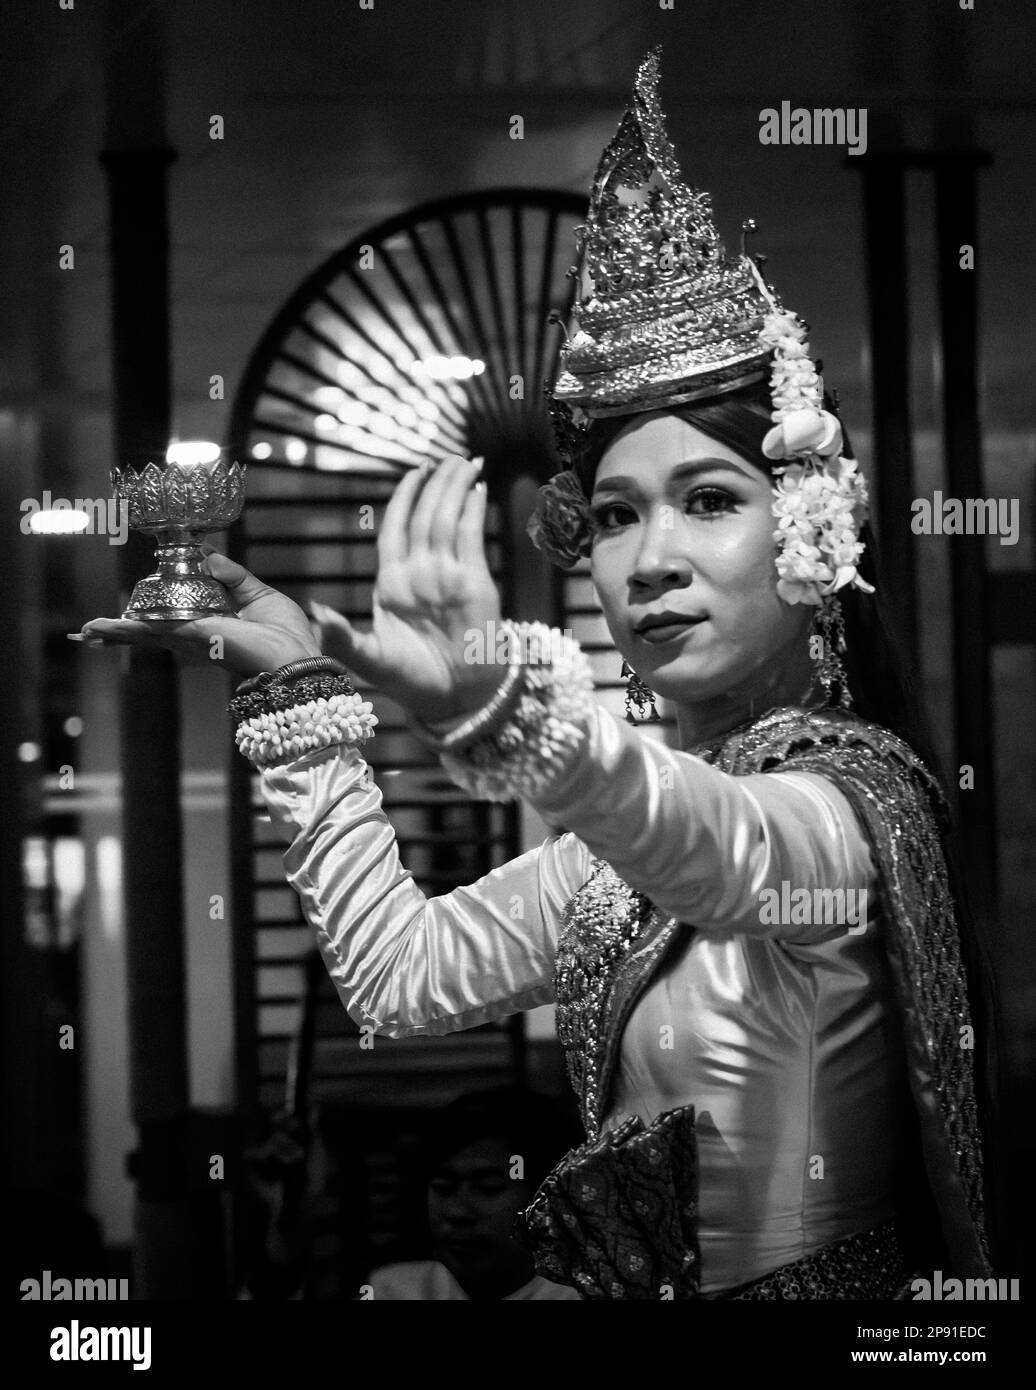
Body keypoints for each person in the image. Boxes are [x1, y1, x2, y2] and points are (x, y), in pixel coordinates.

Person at [75, 48, 998, 1299]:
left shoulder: (847, 813)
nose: (652, 560)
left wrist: (499, 702)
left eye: (709, 499)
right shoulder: (618, 857)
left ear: (810, 531)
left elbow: (714, 846)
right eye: (616, 516)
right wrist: (300, 696)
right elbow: (399, 980)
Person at [366, 1086, 583, 1300]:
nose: (457, 1212)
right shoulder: (398, 1290)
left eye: (488, 1188)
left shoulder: (581, 1293)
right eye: (443, 1188)